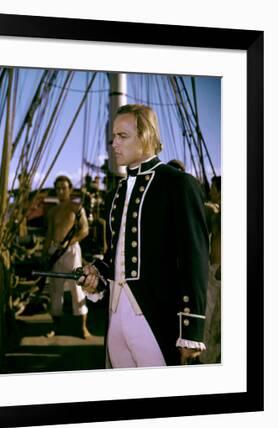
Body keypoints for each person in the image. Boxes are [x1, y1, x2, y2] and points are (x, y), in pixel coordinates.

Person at [79, 104, 209, 367]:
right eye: (113, 136)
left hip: (156, 317)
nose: (114, 144)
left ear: (147, 136)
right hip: (115, 316)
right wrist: (97, 276)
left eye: (122, 136)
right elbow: (116, 257)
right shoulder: (116, 192)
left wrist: (190, 331)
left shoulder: (178, 184)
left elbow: (194, 260)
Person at [43, 175, 91, 339]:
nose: (61, 191)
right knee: (55, 291)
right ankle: (54, 326)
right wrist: (44, 254)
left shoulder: (76, 208)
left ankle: (83, 328)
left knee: (77, 288)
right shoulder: (53, 211)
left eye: (64, 188)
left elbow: (85, 230)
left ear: (69, 189)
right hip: (55, 252)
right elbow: (49, 234)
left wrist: (70, 242)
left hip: (71, 252)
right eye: (58, 188)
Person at [200, 175, 221, 363]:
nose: (210, 191)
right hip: (216, 273)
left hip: (217, 275)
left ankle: (207, 361)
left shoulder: (215, 212)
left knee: (211, 322)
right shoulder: (215, 212)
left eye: (213, 188)